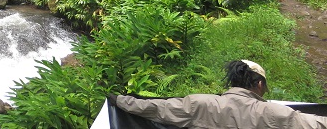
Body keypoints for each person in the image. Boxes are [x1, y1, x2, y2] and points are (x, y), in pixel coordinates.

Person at [112, 60, 327, 128]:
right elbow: (316, 124)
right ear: (259, 84)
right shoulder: (273, 112)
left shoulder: (199, 103)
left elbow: (155, 108)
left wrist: (119, 100)